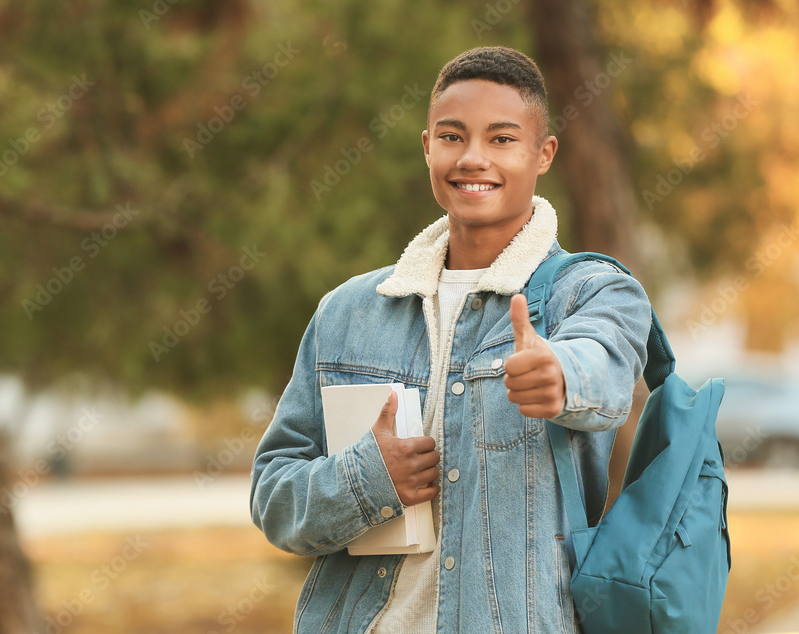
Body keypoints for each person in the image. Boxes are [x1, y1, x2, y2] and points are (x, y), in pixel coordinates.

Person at [249, 46, 653, 633]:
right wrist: (367, 482)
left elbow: (605, 368)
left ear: (544, 154)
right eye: (452, 136)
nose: (472, 158)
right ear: (427, 147)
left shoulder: (591, 293)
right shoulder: (347, 312)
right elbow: (274, 498)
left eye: (502, 139)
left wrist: (559, 374)